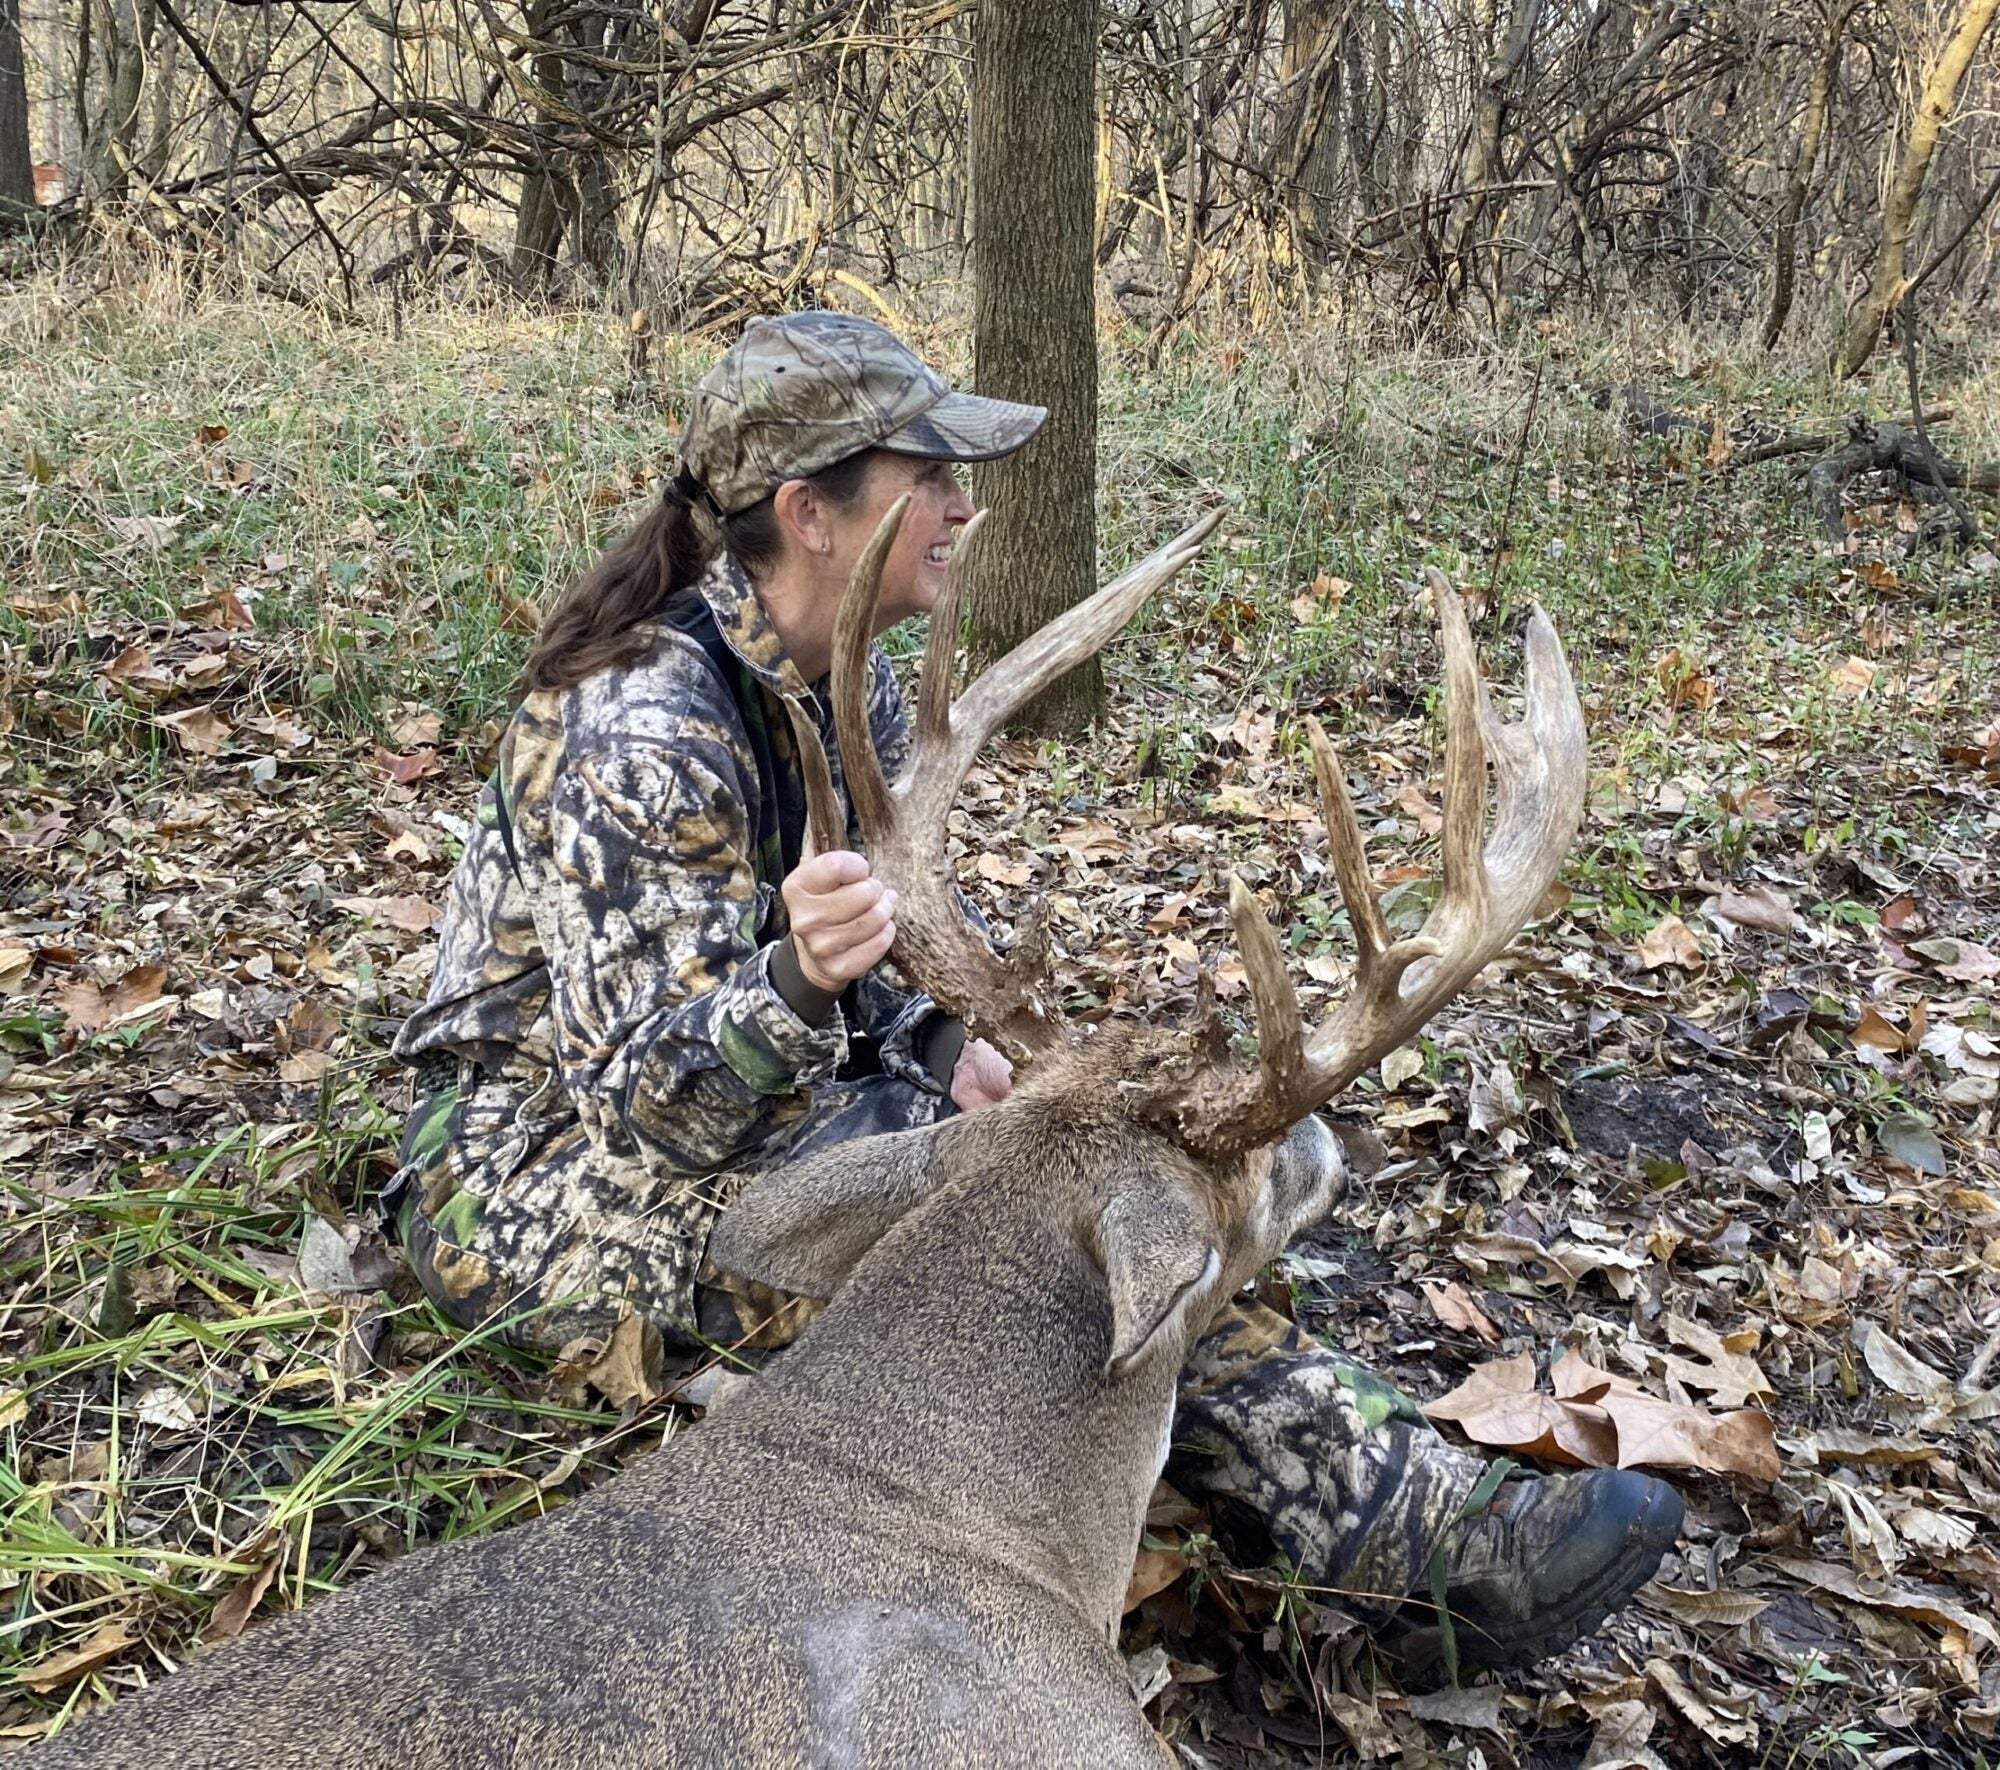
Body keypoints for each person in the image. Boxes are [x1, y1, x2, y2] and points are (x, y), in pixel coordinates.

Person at [385, 309, 1680, 1671]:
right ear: (809, 512)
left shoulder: (850, 684)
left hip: (772, 1112)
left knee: (1077, 1169)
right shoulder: (639, 723)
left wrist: (949, 1038)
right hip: (525, 1185)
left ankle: (1334, 1457)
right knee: (1030, 1254)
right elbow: (644, 1108)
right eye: (927, 473)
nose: (961, 502)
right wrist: (792, 982)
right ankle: (1411, 1541)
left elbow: (896, 942)